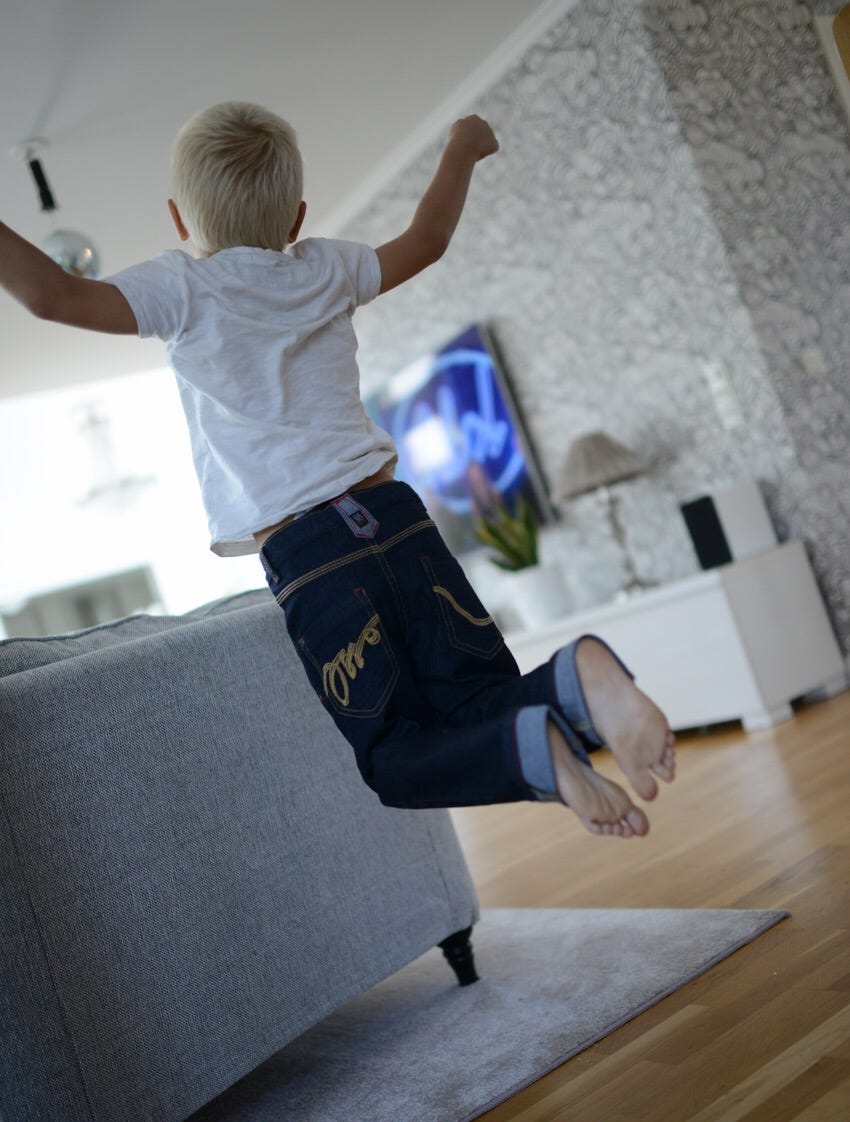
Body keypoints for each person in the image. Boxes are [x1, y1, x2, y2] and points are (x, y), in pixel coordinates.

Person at [0, 101, 675, 836]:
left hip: (312, 555)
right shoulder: (324, 267)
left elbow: (51, 295)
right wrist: (461, 145)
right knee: (476, 692)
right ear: (296, 219)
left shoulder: (181, 288)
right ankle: (577, 683)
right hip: (396, 518)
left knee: (392, 754)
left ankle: (543, 749)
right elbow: (428, 239)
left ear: (177, 219)